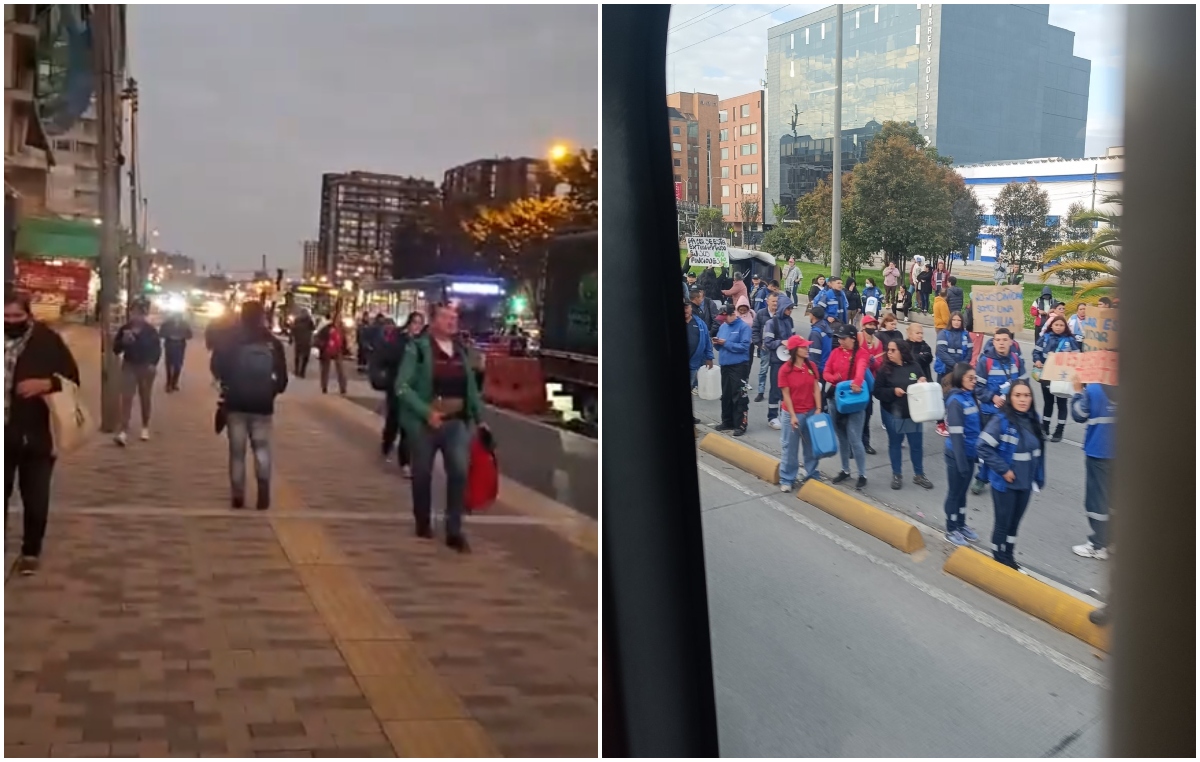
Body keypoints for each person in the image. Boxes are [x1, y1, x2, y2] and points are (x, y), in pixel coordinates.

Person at [395, 302, 486, 551]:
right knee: (422, 473)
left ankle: (454, 529)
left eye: (454, 317)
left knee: (459, 471)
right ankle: (423, 521)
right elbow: (402, 387)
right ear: (433, 321)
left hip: (456, 421)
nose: (451, 321)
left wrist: (480, 419)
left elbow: (471, 389)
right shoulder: (419, 349)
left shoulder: (461, 351)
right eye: (446, 317)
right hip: (426, 423)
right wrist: (426, 413)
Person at [4, 286, 80, 576]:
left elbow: (72, 378)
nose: (11, 321)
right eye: (5, 317)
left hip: (36, 434)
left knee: (35, 498)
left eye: (16, 316)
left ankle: (30, 552)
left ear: (28, 314)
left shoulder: (47, 341)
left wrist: (46, 384)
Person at [210, 300, 289, 510]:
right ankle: (263, 490)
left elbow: (216, 367)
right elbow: (282, 380)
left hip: (235, 402)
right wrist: (271, 391)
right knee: (261, 447)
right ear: (262, 316)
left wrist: (226, 384)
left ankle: (238, 494)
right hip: (263, 404)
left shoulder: (231, 340)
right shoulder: (272, 342)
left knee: (237, 451)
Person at [977, 379, 1046, 570]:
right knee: (1003, 523)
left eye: (1026, 395)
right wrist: (1004, 470)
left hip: (1025, 483)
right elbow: (982, 446)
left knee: (1015, 523)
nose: (1023, 400)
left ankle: (1009, 557)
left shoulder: (1034, 419)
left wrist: (1039, 477)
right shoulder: (1001, 420)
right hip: (1005, 484)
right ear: (1010, 398)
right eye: (1018, 395)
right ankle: (998, 559)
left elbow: (1039, 453)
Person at [971, 327, 1026, 495]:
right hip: (990, 413)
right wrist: (993, 397)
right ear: (993, 341)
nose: (1001, 343)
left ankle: (1004, 475)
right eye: (998, 340)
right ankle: (981, 478)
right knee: (988, 447)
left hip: (1011, 413)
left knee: (1008, 447)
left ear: (1011, 342)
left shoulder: (1017, 360)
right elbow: (978, 388)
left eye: (1005, 340)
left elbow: (1024, 384)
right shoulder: (985, 361)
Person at [874, 338, 934, 491]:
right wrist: (893, 392)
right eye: (888, 350)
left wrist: (922, 381)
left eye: (893, 350)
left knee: (916, 445)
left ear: (902, 351)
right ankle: (897, 474)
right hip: (893, 413)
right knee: (895, 443)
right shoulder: (884, 369)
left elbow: (922, 384)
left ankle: (919, 474)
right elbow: (877, 392)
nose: (890, 353)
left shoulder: (914, 366)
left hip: (913, 413)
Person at [1070, 376, 1115, 561]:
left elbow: (1079, 414)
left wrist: (1078, 391)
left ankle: (1098, 545)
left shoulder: (1094, 389)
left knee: (1097, 502)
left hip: (1099, 451)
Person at [822, 323, 871, 490]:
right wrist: (836, 377)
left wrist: (857, 382)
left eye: (843, 338)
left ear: (853, 339)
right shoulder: (835, 353)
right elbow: (826, 373)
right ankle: (845, 470)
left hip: (854, 402)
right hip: (836, 400)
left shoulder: (861, 353)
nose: (840, 341)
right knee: (842, 437)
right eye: (839, 338)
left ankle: (862, 474)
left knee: (854, 438)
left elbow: (861, 369)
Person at [376, 311, 425, 473]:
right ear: (409, 323)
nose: (417, 326)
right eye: (415, 322)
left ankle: (405, 462)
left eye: (420, 323)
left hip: (413, 390)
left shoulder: (423, 344)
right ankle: (386, 445)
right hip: (396, 386)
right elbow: (388, 358)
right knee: (394, 420)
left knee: (408, 427)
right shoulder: (400, 340)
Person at [942, 363, 983, 546]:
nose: (974, 381)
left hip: (969, 453)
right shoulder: (956, 401)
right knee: (955, 493)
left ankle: (961, 523)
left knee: (963, 493)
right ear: (960, 379)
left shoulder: (970, 397)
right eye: (970, 378)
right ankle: (951, 529)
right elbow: (957, 435)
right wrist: (961, 462)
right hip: (957, 455)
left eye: (975, 378)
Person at [777, 335, 823, 492]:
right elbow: (786, 395)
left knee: (810, 446)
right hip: (792, 414)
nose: (807, 348)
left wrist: (818, 408)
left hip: (810, 412)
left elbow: (816, 388)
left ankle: (812, 474)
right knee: (790, 448)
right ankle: (787, 478)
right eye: (803, 347)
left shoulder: (811, 367)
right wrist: (793, 416)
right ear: (795, 351)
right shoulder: (785, 370)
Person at [113, 299, 161, 445]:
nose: (136, 316)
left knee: (145, 397)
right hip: (129, 365)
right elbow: (116, 349)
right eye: (134, 313)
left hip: (146, 367)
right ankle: (123, 431)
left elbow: (156, 349)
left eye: (140, 313)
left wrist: (153, 363)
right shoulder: (125, 329)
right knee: (126, 398)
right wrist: (124, 342)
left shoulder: (150, 331)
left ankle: (145, 426)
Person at [1032, 314, 1081, 442]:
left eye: (1061, 325)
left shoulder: (1070, 340)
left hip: (1062, 378)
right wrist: (1037, 360)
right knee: (1048, 403)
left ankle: (1059, 430)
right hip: (1047, 376)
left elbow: (1077, 357)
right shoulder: (1044, 338)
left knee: (1061, 403)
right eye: (1056, 325)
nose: (1058, 327)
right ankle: (1045, 428)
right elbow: (1036, 351)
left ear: (1065, 326)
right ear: (1051, 325)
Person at [713, 297, 753, 436]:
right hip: (725, 365)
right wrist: (717, 343)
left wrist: (726, 344)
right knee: (726, 395)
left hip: (739, 366)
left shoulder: (743, 327)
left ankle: (741, 423)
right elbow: (720, 347)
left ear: (733, 314)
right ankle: (727, 421)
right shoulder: (723, 326)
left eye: (725, 318)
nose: (723, 321)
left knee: (740, 395)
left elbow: (744, 347)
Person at [934, 311, 974, 436]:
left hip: (959, 371)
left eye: (959, 320)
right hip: (946, 370)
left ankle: (953, 420)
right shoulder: (943, 334)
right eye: (954, 320)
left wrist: (962, 366)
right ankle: (940, 423)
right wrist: (955, 365)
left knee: (958, 396)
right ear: (951, 321)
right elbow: (941, 352)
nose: (956, 322)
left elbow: (969, 351)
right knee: (943, 396)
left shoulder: (966, 335)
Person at [761, 295, 796, 428]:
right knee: (776, 389)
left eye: (791, 308)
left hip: (789, 360)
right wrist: (781, 342)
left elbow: (793, 336)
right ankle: (772, 416)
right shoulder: (771, 323)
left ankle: (784, 413)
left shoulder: (790, 321)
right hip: (777, 361)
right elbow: (768, 342)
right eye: (788, 308)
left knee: (787, 389)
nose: (790, 311)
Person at [684, 300, 714, 425]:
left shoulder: (700, 323)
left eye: (687, 308)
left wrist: (709, 357)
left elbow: (707, 340)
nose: (685, 310)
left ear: (691, 308)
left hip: (693, 363)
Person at [857, 315, 884, 455]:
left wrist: (873, 362)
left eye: (874, 325)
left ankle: (865, 442)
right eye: (870, 325)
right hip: (856, 381)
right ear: (863, 326)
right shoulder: (857, 338)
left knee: (867, 414)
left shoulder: (878, 343)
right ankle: (852, 443)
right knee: (855, 413)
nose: (872, 327)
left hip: (868, 383)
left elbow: (879, 364)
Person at [751, 293, 780, 402]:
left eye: (777, 301)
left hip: (778, 349)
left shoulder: (781, 314)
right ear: (767, 301)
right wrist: (758, 344)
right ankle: (760, 392)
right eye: (773, 301)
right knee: (763, 371)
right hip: (765, 348)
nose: (775, 304)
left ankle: (776, 392)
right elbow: (755, 330)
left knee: (776, 372)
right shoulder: (760, 313)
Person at [159, 310, 193, 393]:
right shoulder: (167, 324)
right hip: (170, 345)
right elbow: (161, 333)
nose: (177, 318)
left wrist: (181, 336)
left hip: (180, 346)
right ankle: (168, 383)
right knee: (169, 365)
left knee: (178, 365)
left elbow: (190, 335)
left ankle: (174, 383)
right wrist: (169, 335)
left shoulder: (185, 324)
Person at [314, 314, 349, 394]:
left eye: (339, 319)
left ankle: (343, 387)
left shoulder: (341, 329)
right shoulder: (327, 328)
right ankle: (324, 387)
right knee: (325, 370)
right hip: (327, 350)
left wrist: (345, 349)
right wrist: (322, 346)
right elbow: (319, 337)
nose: (338, 321)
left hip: (337, 350)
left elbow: (344, 339)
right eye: (337, 319)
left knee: (341, 369)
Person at [805, 304, 835, 381]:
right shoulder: (825, 327)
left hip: (818, 370)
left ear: (813, 316)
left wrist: (812, 371)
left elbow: (814, 355)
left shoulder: (815, 332)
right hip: (825, 366)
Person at [290, 308, 316, 377]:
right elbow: (313, 328)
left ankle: (296, 370)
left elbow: (293, 329)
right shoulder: (309, 320)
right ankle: (302, 372)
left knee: (297, 356)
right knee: (305, 357)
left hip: (298, 340)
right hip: (307, 341)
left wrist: (291, 338)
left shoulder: (297, 320)